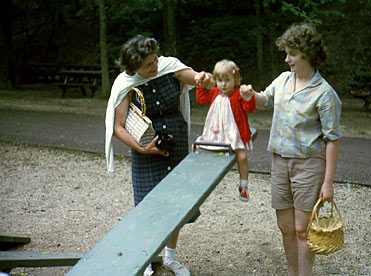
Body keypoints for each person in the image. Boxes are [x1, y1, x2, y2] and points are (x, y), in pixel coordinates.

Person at [105, 35, 213, 276]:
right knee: (148, 207)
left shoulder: (169, 67)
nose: (154, 66)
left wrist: (203, 79)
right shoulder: (126, 84)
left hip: (175, 145)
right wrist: (142, 148)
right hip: (146, 151)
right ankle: (147, 260)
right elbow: (118, 126)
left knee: (176, 204)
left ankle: (171, 259)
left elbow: (197, 79)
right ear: (135, 67)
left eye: (155, 60)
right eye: (148, 64)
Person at [241, 23, 342, 276]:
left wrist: (328, 182)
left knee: (302, 228)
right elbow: (264, 101)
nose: (286, 59)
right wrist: (250, 95)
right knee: (285, 226)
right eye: (286, 53)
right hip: (279, 163)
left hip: (308, 165)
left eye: (292, 54)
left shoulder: (325, 94)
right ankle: (291, 271)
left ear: (307, 53)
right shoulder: (284, 79)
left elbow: (332, 140)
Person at [195, 59, 256, 201]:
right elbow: (201, 100)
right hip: (215, 134)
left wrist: (248, 98)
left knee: (242, 157)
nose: (223, 84)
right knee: (202, 154)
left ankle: (243, 186)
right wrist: (200, 86)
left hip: (233, 134)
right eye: (220, 80)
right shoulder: (214, 92)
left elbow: (249, 109)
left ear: (236, 79)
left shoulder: (238, 94)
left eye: (227, 80)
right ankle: (201, 183)